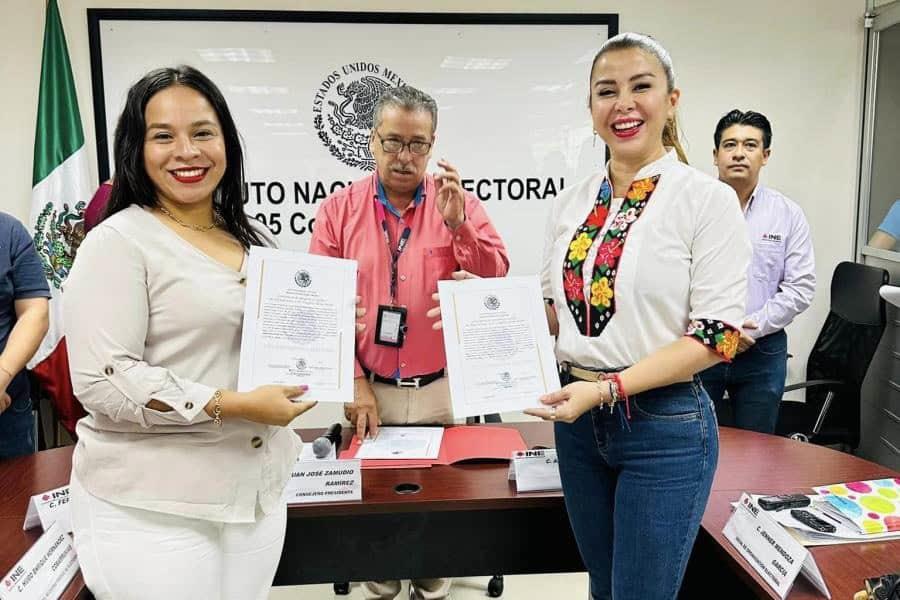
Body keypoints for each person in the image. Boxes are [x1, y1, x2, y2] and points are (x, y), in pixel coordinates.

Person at [63, 66, 318, 600]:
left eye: (202, 132)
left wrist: (323, 330)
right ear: (136, 149)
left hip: (254, 496)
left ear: (226, 139)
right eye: (163, 136)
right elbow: (104, 383)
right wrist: (235, 404)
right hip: (153, 507)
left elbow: (260, 343)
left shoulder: (253, 238)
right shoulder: (119, 242)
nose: (187, 151)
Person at [524, 33, 751, 599]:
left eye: (641, 86)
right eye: (607, 91)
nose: (623, 104)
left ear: (672, 99)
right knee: (604, 588)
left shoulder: (706, 199)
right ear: (591, 110)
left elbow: (716, 338)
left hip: (664, 427)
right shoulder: (572, 201)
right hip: (576, 423)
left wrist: (607, 392)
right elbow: (558, 315)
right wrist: (480, 307)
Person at [309, 84, 509, 600]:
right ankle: (383, 580)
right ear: (372, 142)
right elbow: (319, 306)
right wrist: (353, 382)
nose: (405, 156)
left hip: (441, 387)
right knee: (378, 504)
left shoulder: (456, 203)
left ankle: (431, 576)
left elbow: (496, 273)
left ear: (433, 144)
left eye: (417, 144)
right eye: (393, 141)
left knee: (438, 502)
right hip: (369, 387)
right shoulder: (338, 211)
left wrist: (458, 224)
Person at [698, 109, 815, 434]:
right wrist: (720, 332)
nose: (738, 153)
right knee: (695, 440)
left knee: (758, 446)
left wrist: (754, 326)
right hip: (699, 344)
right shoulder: (692, 208)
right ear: (715, 154)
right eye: (729, 144)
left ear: (765, 155)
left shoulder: (787, 214)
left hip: (761, 349)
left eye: (750, 145)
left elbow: (800, 287)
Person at [0, 212, 50, 459]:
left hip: (6, 410)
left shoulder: (9, 231)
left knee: (13, 495)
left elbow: (35, 312)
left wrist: (1, 375)